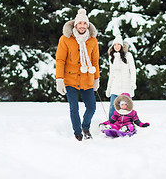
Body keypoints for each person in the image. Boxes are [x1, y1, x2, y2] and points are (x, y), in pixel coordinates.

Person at [55, 8, 100, 141]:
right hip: (70, 79)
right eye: (79, 23)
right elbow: (60, 60)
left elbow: (95, 61)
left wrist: (96, 78)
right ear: (75, 25)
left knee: (91, 107)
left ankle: (85, 127)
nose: (82, 26)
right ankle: (77, 132)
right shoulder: (65, 39)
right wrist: (59, 79)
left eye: (84, 23)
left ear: (88, 25)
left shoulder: (92, 40)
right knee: (74, 108)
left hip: (87, 79)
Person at [105, 35, 136, 119]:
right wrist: (109, 88)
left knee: (127, 107)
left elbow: (133, 71)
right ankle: (111, 124)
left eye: (118, 44)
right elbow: (111, 74)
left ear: (122, 46)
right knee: (112, 106)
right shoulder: (112, 57)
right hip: (115, 86)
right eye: (115, 45)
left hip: (126, 86)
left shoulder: (128, 55)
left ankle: (128, 123)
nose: (117, 46)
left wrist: (133, 83)